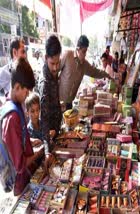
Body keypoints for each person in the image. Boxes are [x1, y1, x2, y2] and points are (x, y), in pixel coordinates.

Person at [1, 58, 42, 195]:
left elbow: (17, 140)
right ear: (17, 87)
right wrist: (39, 153)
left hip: (27, 176)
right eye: (26, 92)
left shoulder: (16, 105)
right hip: (21, 182)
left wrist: (29, 141)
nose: (27, 95)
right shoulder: (12, 118)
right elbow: (19, 165)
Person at [59, 35, 112, 110]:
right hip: (59, 100)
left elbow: (95, 72)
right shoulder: (67, 55)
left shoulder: (84, 64)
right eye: (83, 52)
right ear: (78, 49)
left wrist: (106, 75)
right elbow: (56, 69)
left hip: (69, 102)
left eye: (86, 51)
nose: (85, 54)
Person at [38, 35, 63, 171]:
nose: (55, 67)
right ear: (45, 57)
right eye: (52, 63)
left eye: (57, 63)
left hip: (56, 133)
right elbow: (44, 120)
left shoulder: (54, 73)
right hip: (49, 138)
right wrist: (47, 151)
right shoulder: (44, 83)